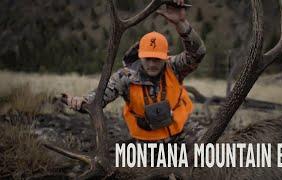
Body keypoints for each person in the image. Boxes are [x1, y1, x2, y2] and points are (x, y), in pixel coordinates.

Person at [65, 0, 206, 143]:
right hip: (146, 138)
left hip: (180, 129)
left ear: (165, 57)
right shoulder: (125, 77)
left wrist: (181, 23)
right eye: (148, 58)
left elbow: (198, 53)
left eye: (157, 59)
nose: (152, 64)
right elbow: (98, 99)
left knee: (208, 144)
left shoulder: (174, 66)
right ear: (140, 56)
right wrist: (82, 102)